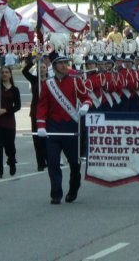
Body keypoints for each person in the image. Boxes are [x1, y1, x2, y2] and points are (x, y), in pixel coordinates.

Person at [35, 52, 92, 204]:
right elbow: (42, 107)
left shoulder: (75, 81)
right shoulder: (48, 84)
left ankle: (74, 187)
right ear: (54, 66)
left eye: (65, 63)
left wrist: (86, 105)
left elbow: (86, 97)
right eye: (60, 63)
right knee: (53, 162)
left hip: (71, 126)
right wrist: (41, 125)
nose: (64, 65)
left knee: (74, 163)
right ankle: (56, 193)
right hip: (53, 127)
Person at [0, 56, 22, 178]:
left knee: (9, 147)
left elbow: (18, 106)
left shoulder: (15, 90)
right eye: (2, 72)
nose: (4, 74)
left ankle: (12, 162)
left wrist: (6, 110)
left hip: (9, 122)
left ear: (10, 74)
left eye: (6, 72)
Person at [22, 54, 48, 171]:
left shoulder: (51, 80)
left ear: (46, 69)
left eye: (43, 67)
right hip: (35, 112)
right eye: (40, 67)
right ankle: (40, 163)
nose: (42, 69)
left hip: (48, 113)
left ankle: (48, 159)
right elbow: (24, 71)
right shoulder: (34, 80)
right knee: (37, 138)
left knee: (47, 138)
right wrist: (34, 61)